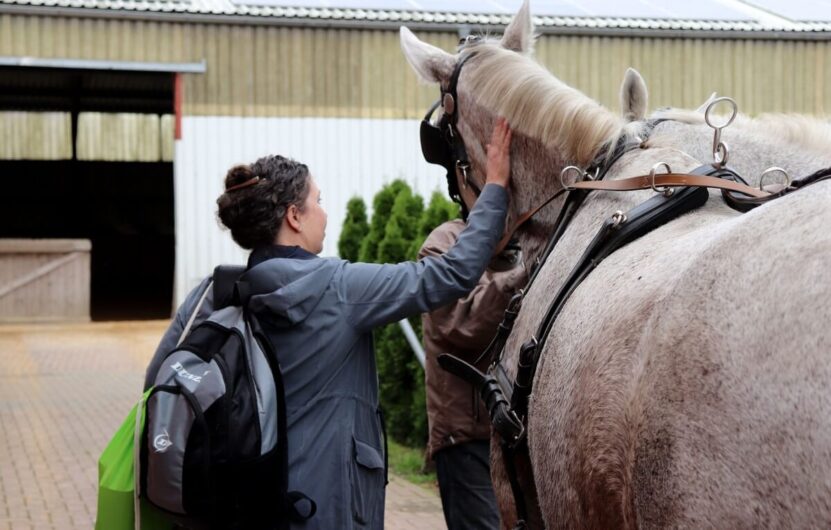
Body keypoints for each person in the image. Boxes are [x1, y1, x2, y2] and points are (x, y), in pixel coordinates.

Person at [144, 119, 513, 529]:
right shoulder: (339, 289)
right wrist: (495, 186)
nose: (325, 211)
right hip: (326, 508)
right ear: (294, 217)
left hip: (244, 508)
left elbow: (158, 382)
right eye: (318, 200)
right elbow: (452, 274)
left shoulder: (212, 295)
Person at [419, 223, 527, 529]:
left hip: (518, 437)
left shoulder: (528, 242)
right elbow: (461, 321)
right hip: (466, 439)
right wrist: (526, 274)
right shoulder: (443, 243)